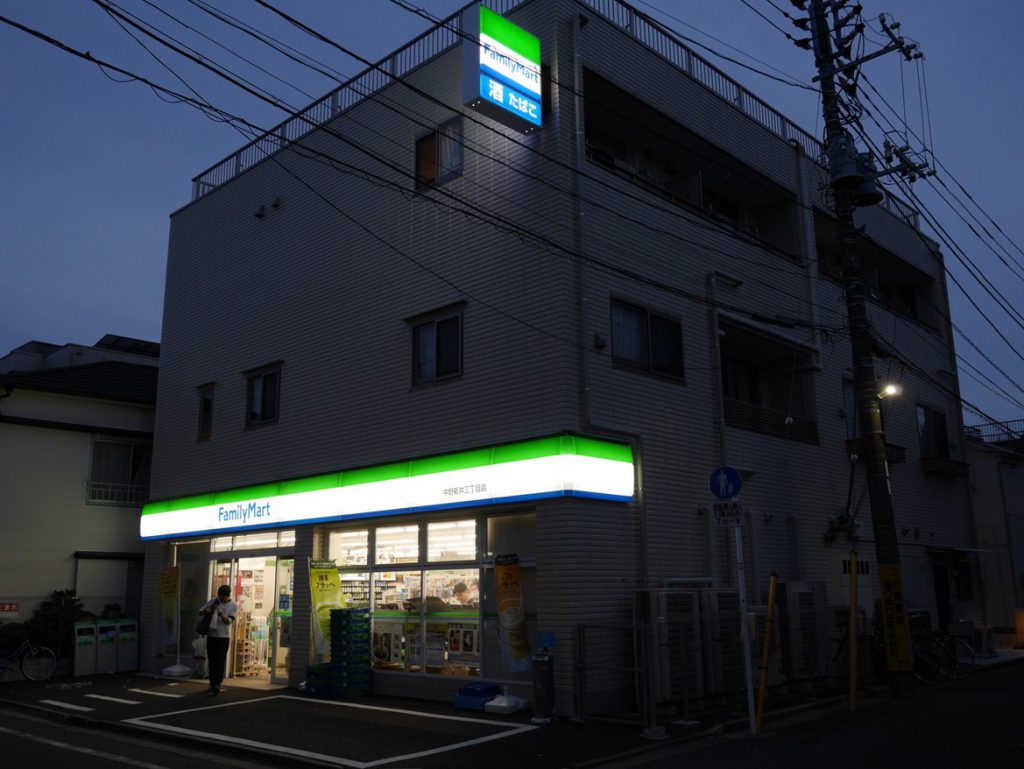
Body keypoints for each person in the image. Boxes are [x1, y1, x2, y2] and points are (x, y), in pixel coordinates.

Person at [199, 585, 237, 695]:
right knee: (212, 660)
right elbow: (200, 612)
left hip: (223, 637)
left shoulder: (233, 605)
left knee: (220, 661)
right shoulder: (213, 601)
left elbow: (229, 621)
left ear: (227, 596)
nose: (220, 599)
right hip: (211, 636)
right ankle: (212, 683)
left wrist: (221, 614)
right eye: (219, 596)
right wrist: (206, 610)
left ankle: (217, 684)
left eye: (222, 597)